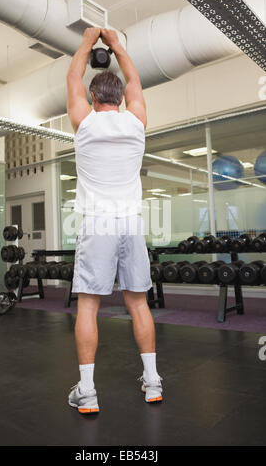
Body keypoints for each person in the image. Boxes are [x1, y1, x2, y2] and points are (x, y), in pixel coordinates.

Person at [66, 27, 162, 414]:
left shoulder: (84, 123)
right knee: (138, 304)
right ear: (122, 98)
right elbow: (136, 79)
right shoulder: (136, 122)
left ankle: (87, 391)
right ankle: (152, 382)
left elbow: (73, 76)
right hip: (129, 225)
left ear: (92, 97)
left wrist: (88, 41)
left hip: (98, 224)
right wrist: (117, 45)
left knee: (88, 306)